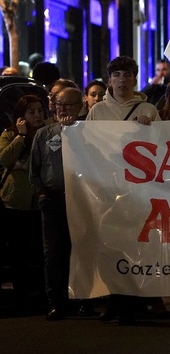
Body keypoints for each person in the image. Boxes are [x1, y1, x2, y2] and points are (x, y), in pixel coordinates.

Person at [86, 56, 158, 324]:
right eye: (117, 74)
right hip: (107, 186)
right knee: (110, 245)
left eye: (128, 74)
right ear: (109, 80)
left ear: (135, 79)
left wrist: (150, 129)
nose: (122, 79)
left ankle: (136, 302)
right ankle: (113, 299)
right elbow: (89, 146)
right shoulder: (98, 111)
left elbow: (163, 145)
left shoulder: (148, 109)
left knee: (137, 245)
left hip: (138, 188)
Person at [29, 87, 92, 321]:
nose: (63, 109)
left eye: (69, 105)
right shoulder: (44, 134)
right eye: (59, 105)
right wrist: (41, 195)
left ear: (80, 106)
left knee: (83, 250)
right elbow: (34, 170)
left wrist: (72, 133)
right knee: (54, 254)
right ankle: (56, 302)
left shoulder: (89, 132)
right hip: (53, 200)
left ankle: (85, 300)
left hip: (83, 199)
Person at [0, 95, 46, 312]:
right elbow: (4, 159)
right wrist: (20, 136)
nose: (37, 115)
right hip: (15, 201)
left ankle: (39, 293)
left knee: (38, 249)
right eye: (31, 112)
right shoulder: (9, 134)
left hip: (39, 201)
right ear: (21, 117)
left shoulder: (48, 133)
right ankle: (21, 295)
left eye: (39, 111)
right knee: (17, 251)